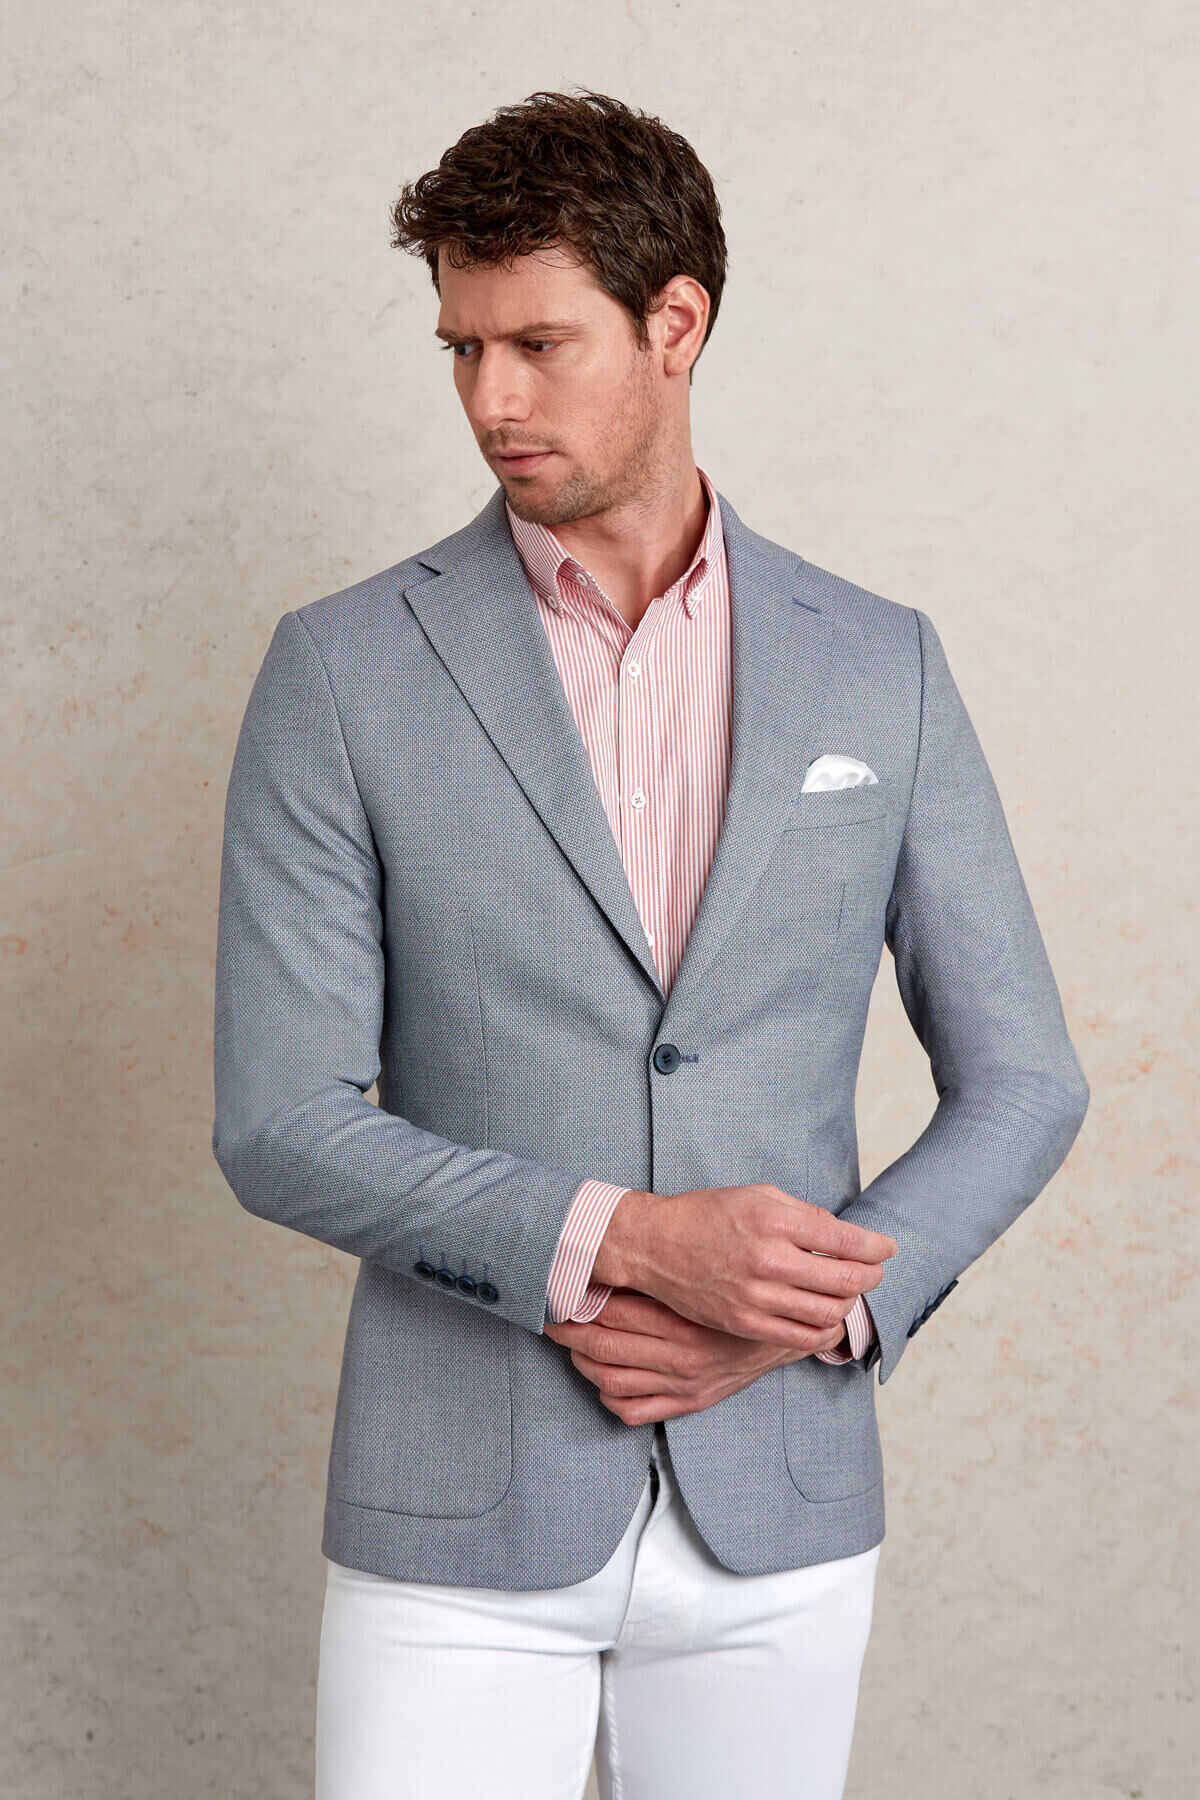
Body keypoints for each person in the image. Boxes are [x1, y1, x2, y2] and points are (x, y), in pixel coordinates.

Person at [211, 88, 1090, 1800]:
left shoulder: (880, 663)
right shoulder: (342, 670)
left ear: (676, 323)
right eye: (461, 348)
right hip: (458, 1514)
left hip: (784, 1503)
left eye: (537, 344)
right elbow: (281, 1122)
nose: (490, 399)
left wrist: (799, 1317)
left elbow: (1026, 1082)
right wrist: (629, 1242)